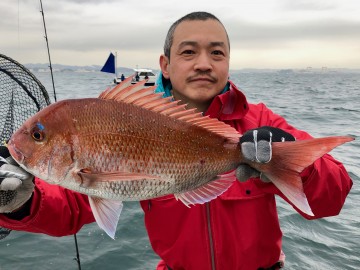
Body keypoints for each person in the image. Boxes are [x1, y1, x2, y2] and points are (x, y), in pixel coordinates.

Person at [0, 11, 352, 270]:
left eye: (216, 53)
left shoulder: (260, 123)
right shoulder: (126, 117)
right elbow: (71, 205)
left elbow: (332, 196)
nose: (203, 63)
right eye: (188, 52)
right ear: (164, 65)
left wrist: (289, 158)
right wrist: (19, 202)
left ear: (228, 62)